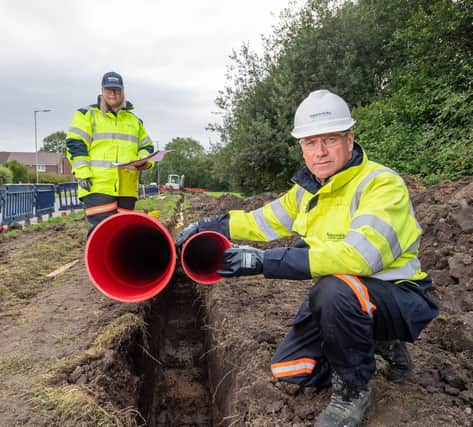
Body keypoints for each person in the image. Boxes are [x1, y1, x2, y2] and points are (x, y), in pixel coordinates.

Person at [175, 89, 439, 427]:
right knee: (293, 369)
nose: (321, 151)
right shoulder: (308, 190)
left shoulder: (380, 185)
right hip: (349, 299)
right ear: (301, 147)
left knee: (333, 289)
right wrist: (212, 224)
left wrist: (263, 262)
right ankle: (374, 341)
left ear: (349, 138)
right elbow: (263, 220)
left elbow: (358, 258)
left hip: (397, 297)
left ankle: (353, 393)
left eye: (330, 139)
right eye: (310, 143)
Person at [65, 71, 154, 234]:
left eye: (117, 90)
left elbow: (147, 147)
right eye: (109, 90)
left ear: (123, 91)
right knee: (102, 231)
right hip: (97, 184)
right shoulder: (87, 115)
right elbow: (75, 144)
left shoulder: (134, 121)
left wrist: (143, 162)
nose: (113, 94)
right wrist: (82, 173)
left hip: (127, 187)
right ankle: (96, 260)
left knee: (124, 232)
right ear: (102, 91)